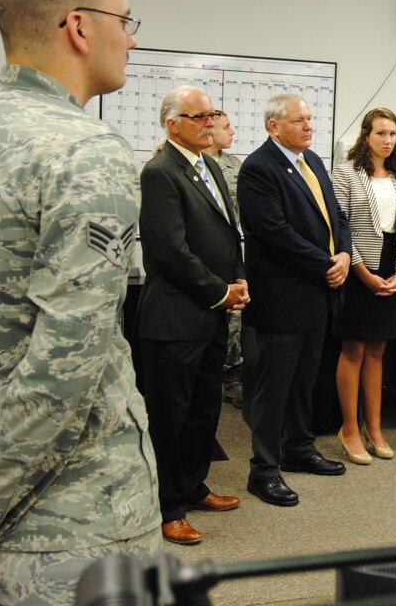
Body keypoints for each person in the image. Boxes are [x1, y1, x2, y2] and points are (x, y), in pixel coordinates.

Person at [0, 0, 160, 603]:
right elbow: (67, 360)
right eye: (125, 21)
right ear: (79, 27)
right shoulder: (86, 149)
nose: (132, 40)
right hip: (73, 529)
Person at [136, 87, 248, 545]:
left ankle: (193, 486)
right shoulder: (160, 172)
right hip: (174, 318)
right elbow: (171, 251)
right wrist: (220, 292)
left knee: (204, 410)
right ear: (173, 124)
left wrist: (237, 280)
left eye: (212, 114)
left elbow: (228, 234)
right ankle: (168, 508)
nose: (209, 123)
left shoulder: (209, 165)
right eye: (198, 116)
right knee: (170, 418)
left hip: (211, 314)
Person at [238, 92, 352, 507]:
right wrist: (326, 263)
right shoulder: (258, 168)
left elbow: (337, 217)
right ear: (274, 126)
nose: (309, 126)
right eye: (299, 120)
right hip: (282, 297)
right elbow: (274, 232)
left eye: (310, 119)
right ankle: (264, 470)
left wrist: (345, 254)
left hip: (317, 293)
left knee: (305, 380)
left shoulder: (314, 161)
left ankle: (299, 449)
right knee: (274, 387)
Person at [331, 108, 396, 464]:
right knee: (354, 349)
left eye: (392, 134)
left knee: (378, 350)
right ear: (366, 135)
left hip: (390, 267)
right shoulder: (345, 173)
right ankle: (349, 428)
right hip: (357, 268)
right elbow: (340, 227)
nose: (387, 140)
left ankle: (374, 428)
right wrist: (363, 272)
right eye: (381, 133)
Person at [205, 110, 246, 406]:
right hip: (200, 254)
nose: (232, 132)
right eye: (227, 127)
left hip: (230, 254)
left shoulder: (235, 166)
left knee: (234, 321)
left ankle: (232, 379)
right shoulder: (187, 164)